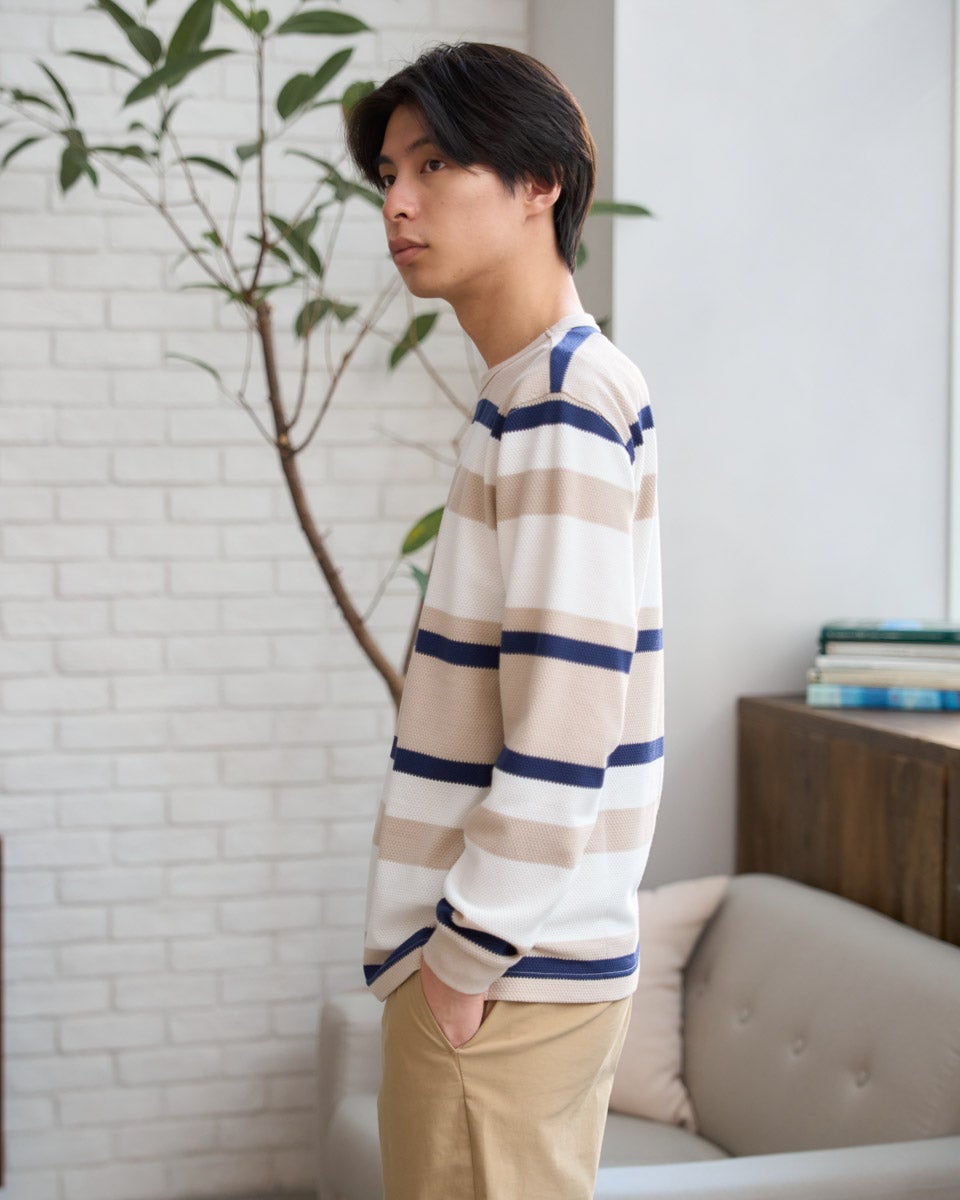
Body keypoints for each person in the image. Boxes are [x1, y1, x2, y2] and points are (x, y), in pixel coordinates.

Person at [345, 41, 664, 1200]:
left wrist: (464, 957)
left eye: (435, 164)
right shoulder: (540, 387)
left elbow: (568, 717)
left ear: (540, 183)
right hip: (522, 971)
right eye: (388, 174)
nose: (399, 202)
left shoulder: (558, 401)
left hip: (505, 979)